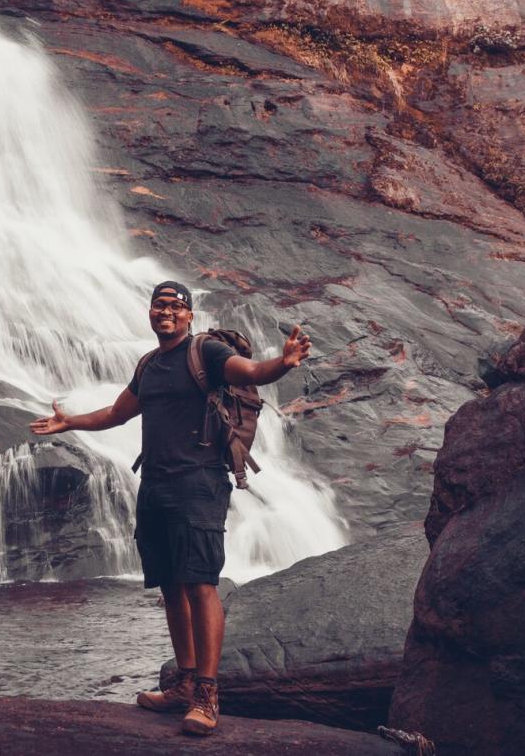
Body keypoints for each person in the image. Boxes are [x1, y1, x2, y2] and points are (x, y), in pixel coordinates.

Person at [29, 280, 311, 736]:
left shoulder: (208, 353)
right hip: (155, 485)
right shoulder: (150, 365)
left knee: (200, 585)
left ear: (188, 315)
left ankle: (206, 693)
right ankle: (182, 682)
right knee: (171, 587)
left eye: (175, 306)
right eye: (159, 305)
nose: (166, 312)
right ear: (150, 313)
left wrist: (283, 362)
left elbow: (251, 372)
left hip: (199, 483)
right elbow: (118, 414)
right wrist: (69, 422)